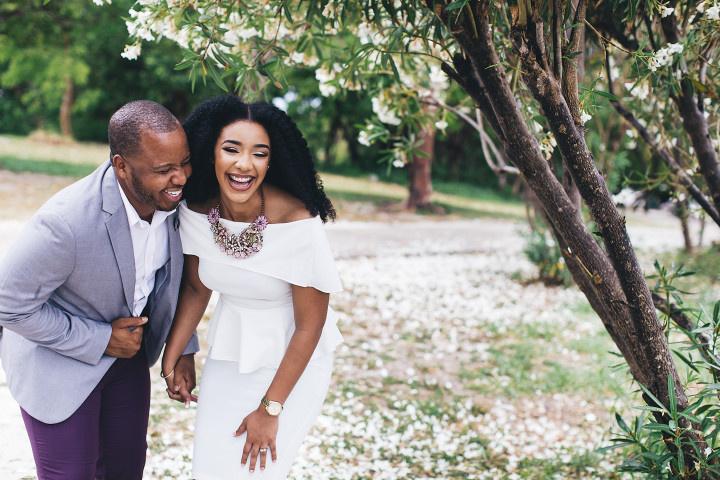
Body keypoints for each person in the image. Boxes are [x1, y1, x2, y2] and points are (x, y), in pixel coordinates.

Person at [0, 100, 199, 479]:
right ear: (121, 166)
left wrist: (184, 347)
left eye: (184, 162)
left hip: (128, 361)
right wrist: (101, 339)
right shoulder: (66, 223)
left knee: (126, 472)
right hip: (57, 365)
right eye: (164, 170)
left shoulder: (172, 203)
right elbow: (8, 305)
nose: (181, 178)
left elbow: (170, 282)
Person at [161, 95, 343, 479]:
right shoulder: (197, 210)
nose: (244, 164)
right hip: (231, 351)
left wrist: (270, 409)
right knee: (210, 469)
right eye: (231, 149)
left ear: (270, 162)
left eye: (259, 153)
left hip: (293, 361)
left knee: (257, 472)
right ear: (210, 153)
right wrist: (173, 354)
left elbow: (310, 327)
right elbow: (196, 287)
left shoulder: (296, 221)